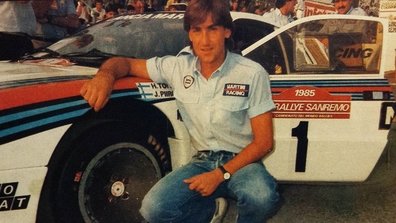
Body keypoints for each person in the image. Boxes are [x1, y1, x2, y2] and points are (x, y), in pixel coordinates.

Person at [80, 0, 280, 222]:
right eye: (197, 30)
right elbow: (124, 63)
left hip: (243, 162)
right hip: (202, 161)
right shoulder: (176, 67)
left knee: (262, 197)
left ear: (226, 31)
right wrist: (105, 76)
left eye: (212, 29)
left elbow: (263, 143)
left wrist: (218, 175)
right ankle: (209, 211)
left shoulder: (251, 73)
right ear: (190, 35)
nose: (204, 41)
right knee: (153, 208)